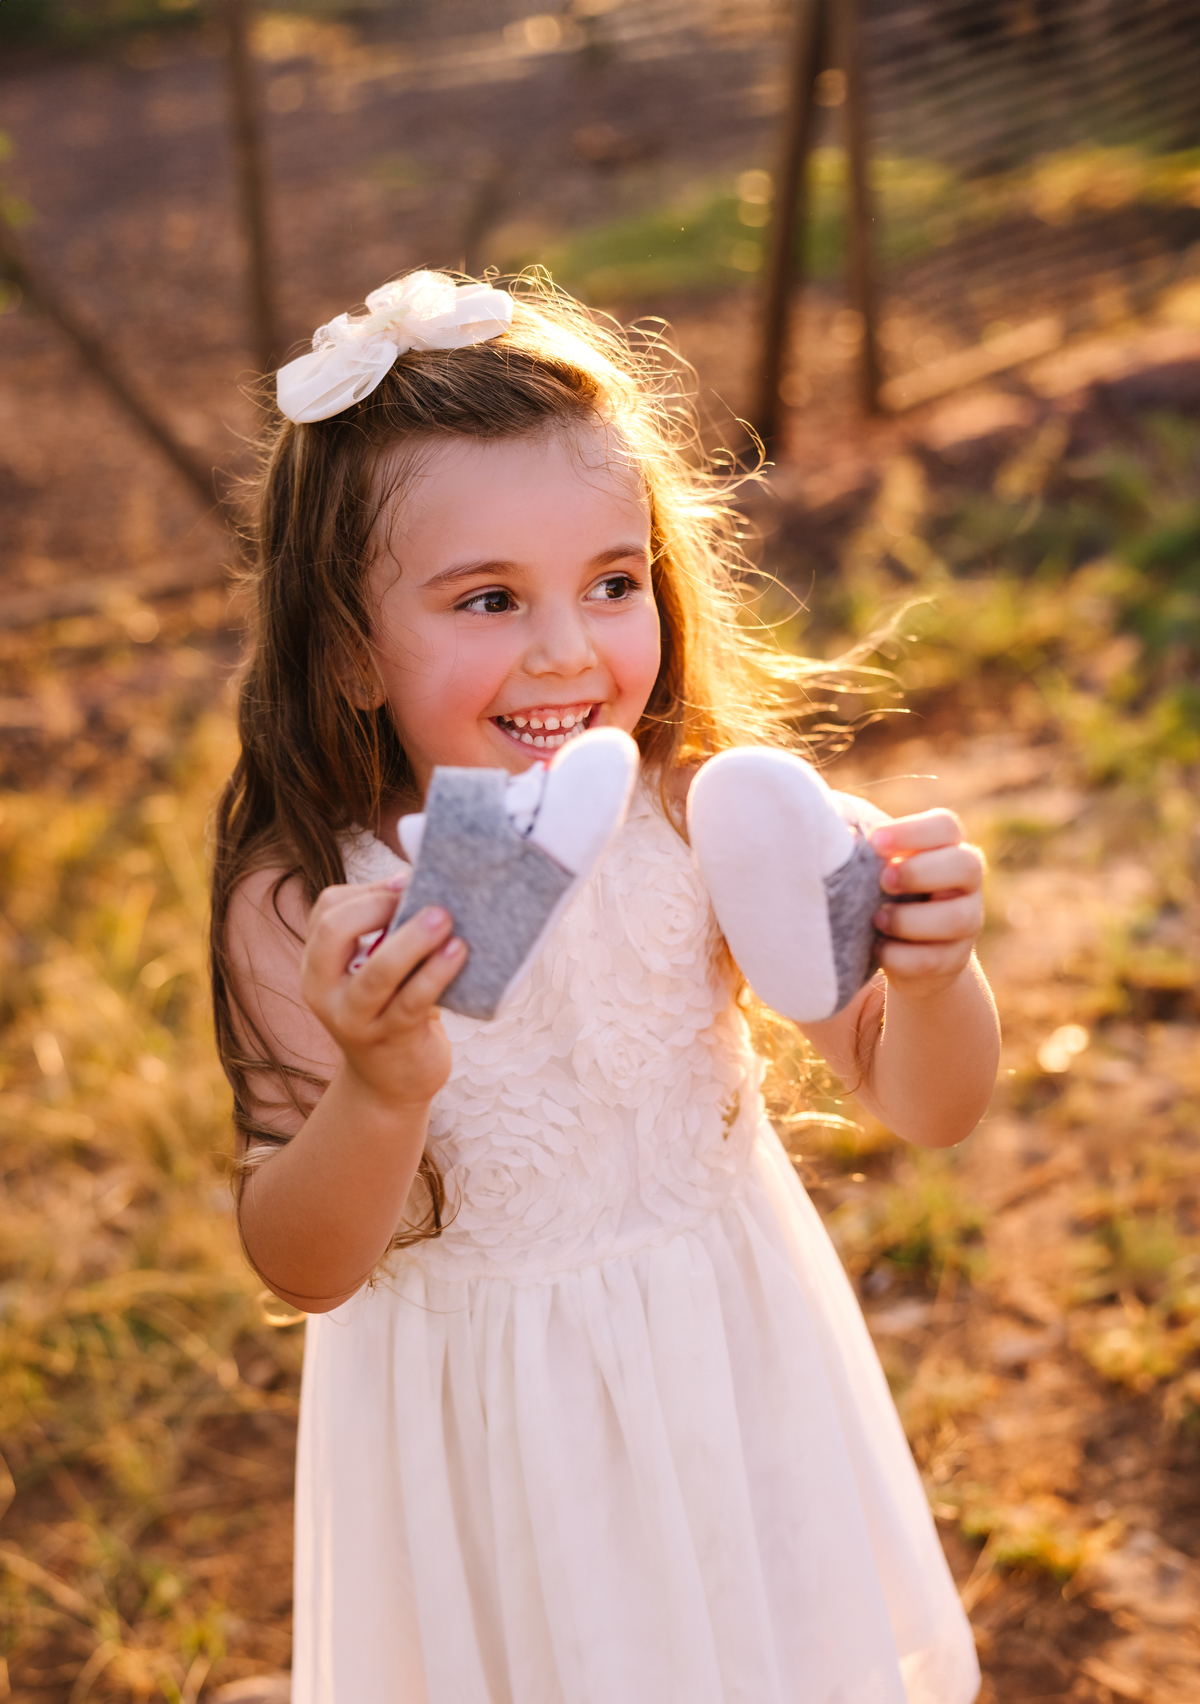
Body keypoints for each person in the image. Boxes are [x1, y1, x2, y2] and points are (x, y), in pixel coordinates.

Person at [209, 269, 999, 1704]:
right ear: (346, 651)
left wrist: (937, 978)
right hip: (494, 1434)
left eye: (614, 583)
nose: (570, 648)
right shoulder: (310, 905)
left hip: (728, 1351)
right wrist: (385, 1084)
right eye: (490, 597)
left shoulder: (704, 815)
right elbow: (301, 1260)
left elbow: (925, 1104)